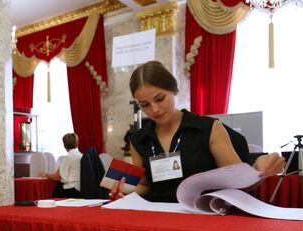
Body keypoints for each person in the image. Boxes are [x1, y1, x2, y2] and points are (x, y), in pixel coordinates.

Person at [110, 61, 285, 202]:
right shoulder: (139, 140)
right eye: (145, 105)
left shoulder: (208, 129)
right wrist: (125, 193)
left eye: (160, 98)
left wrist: (259, 172)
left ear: (173, 89)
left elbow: (239, 184)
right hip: (160, 216)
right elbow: (145, 186)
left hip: (205, 215)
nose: (154, 110)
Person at [42, 132, 83, 198]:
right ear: (77, 143)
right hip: (80, 189)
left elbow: (57, 176)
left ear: (64, 145)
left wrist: (44, 174)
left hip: (70, 190)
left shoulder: (68, 157)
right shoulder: (81, 155)